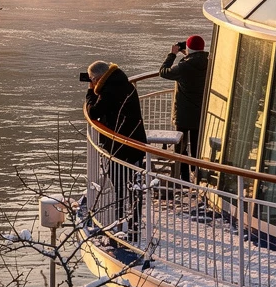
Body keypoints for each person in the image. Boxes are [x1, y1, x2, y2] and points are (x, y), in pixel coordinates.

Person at [85, 61, 147, 238]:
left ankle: (122, 224)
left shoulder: (110, 90)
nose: (92, 83)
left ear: (97, 78)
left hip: (120, 147)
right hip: (134, 142)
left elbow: (94, 112)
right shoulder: (121, 82)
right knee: (134, 185)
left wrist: (90, 92)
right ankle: (134, 225)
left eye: (92, 80)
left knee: (120, 185)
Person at [158, 35, 209, 180]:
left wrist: (172, 54)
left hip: (183, 114)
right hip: (200, 112)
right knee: (196, 146)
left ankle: (184, 176)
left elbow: (163, 72)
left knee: (180, 147)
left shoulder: (184, 66)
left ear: (188, 49)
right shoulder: (208, 62)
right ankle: (197, 173)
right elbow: (195, 62)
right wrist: (188, 54)